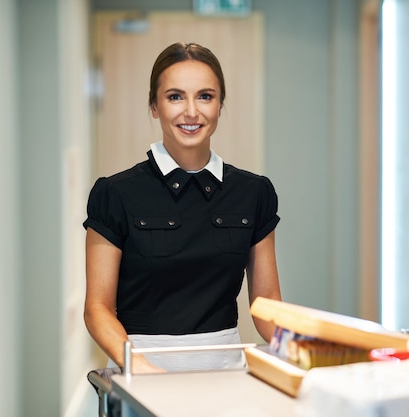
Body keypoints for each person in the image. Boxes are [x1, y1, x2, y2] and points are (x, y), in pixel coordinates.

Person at [83, 42, 282, 373]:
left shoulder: (254, 192)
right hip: (139, 372)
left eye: (205, 96)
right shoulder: (115, 193)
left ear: (220, 105)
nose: (191, 111)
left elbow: (267, 304)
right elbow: (98, 308)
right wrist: (143, 371)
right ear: (154, 106)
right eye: (175, 96)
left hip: (225, 373)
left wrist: (302, 352)